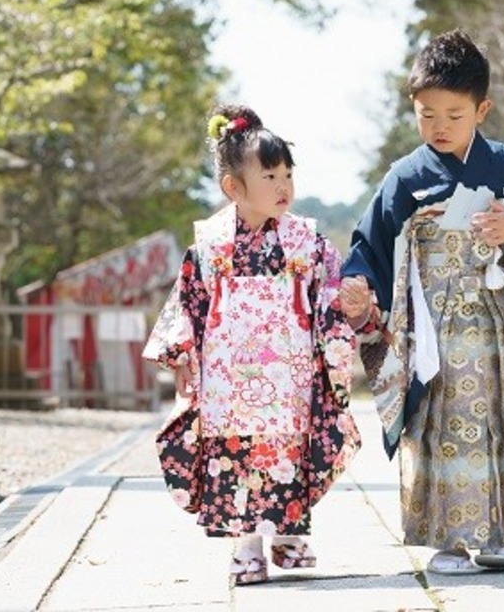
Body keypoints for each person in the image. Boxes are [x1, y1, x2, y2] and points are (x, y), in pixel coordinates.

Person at [339, 29, 504, 575]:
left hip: (499, 322)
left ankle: (496, 534)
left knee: (501, 419)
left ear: (481, 108)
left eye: (453, 114)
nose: (438, 126)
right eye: (426, 114)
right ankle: (447, 538)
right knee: (440, 423)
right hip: (432, 322)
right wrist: (359, 283)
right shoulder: (406, 176)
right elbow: (368, 243)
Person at [143, 104, 360, 586]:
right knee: (233, 455)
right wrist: (184, 355)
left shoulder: (306, 240)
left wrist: (341, 317)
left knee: (288, 451)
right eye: (270, 175)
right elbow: (190, 301)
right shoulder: (211, 244)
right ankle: (246, 546)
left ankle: (289, 534)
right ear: (233, 188)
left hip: (290, 373)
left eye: (287, 174)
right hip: (228, 376)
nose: (284, 186)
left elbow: (331, 289)